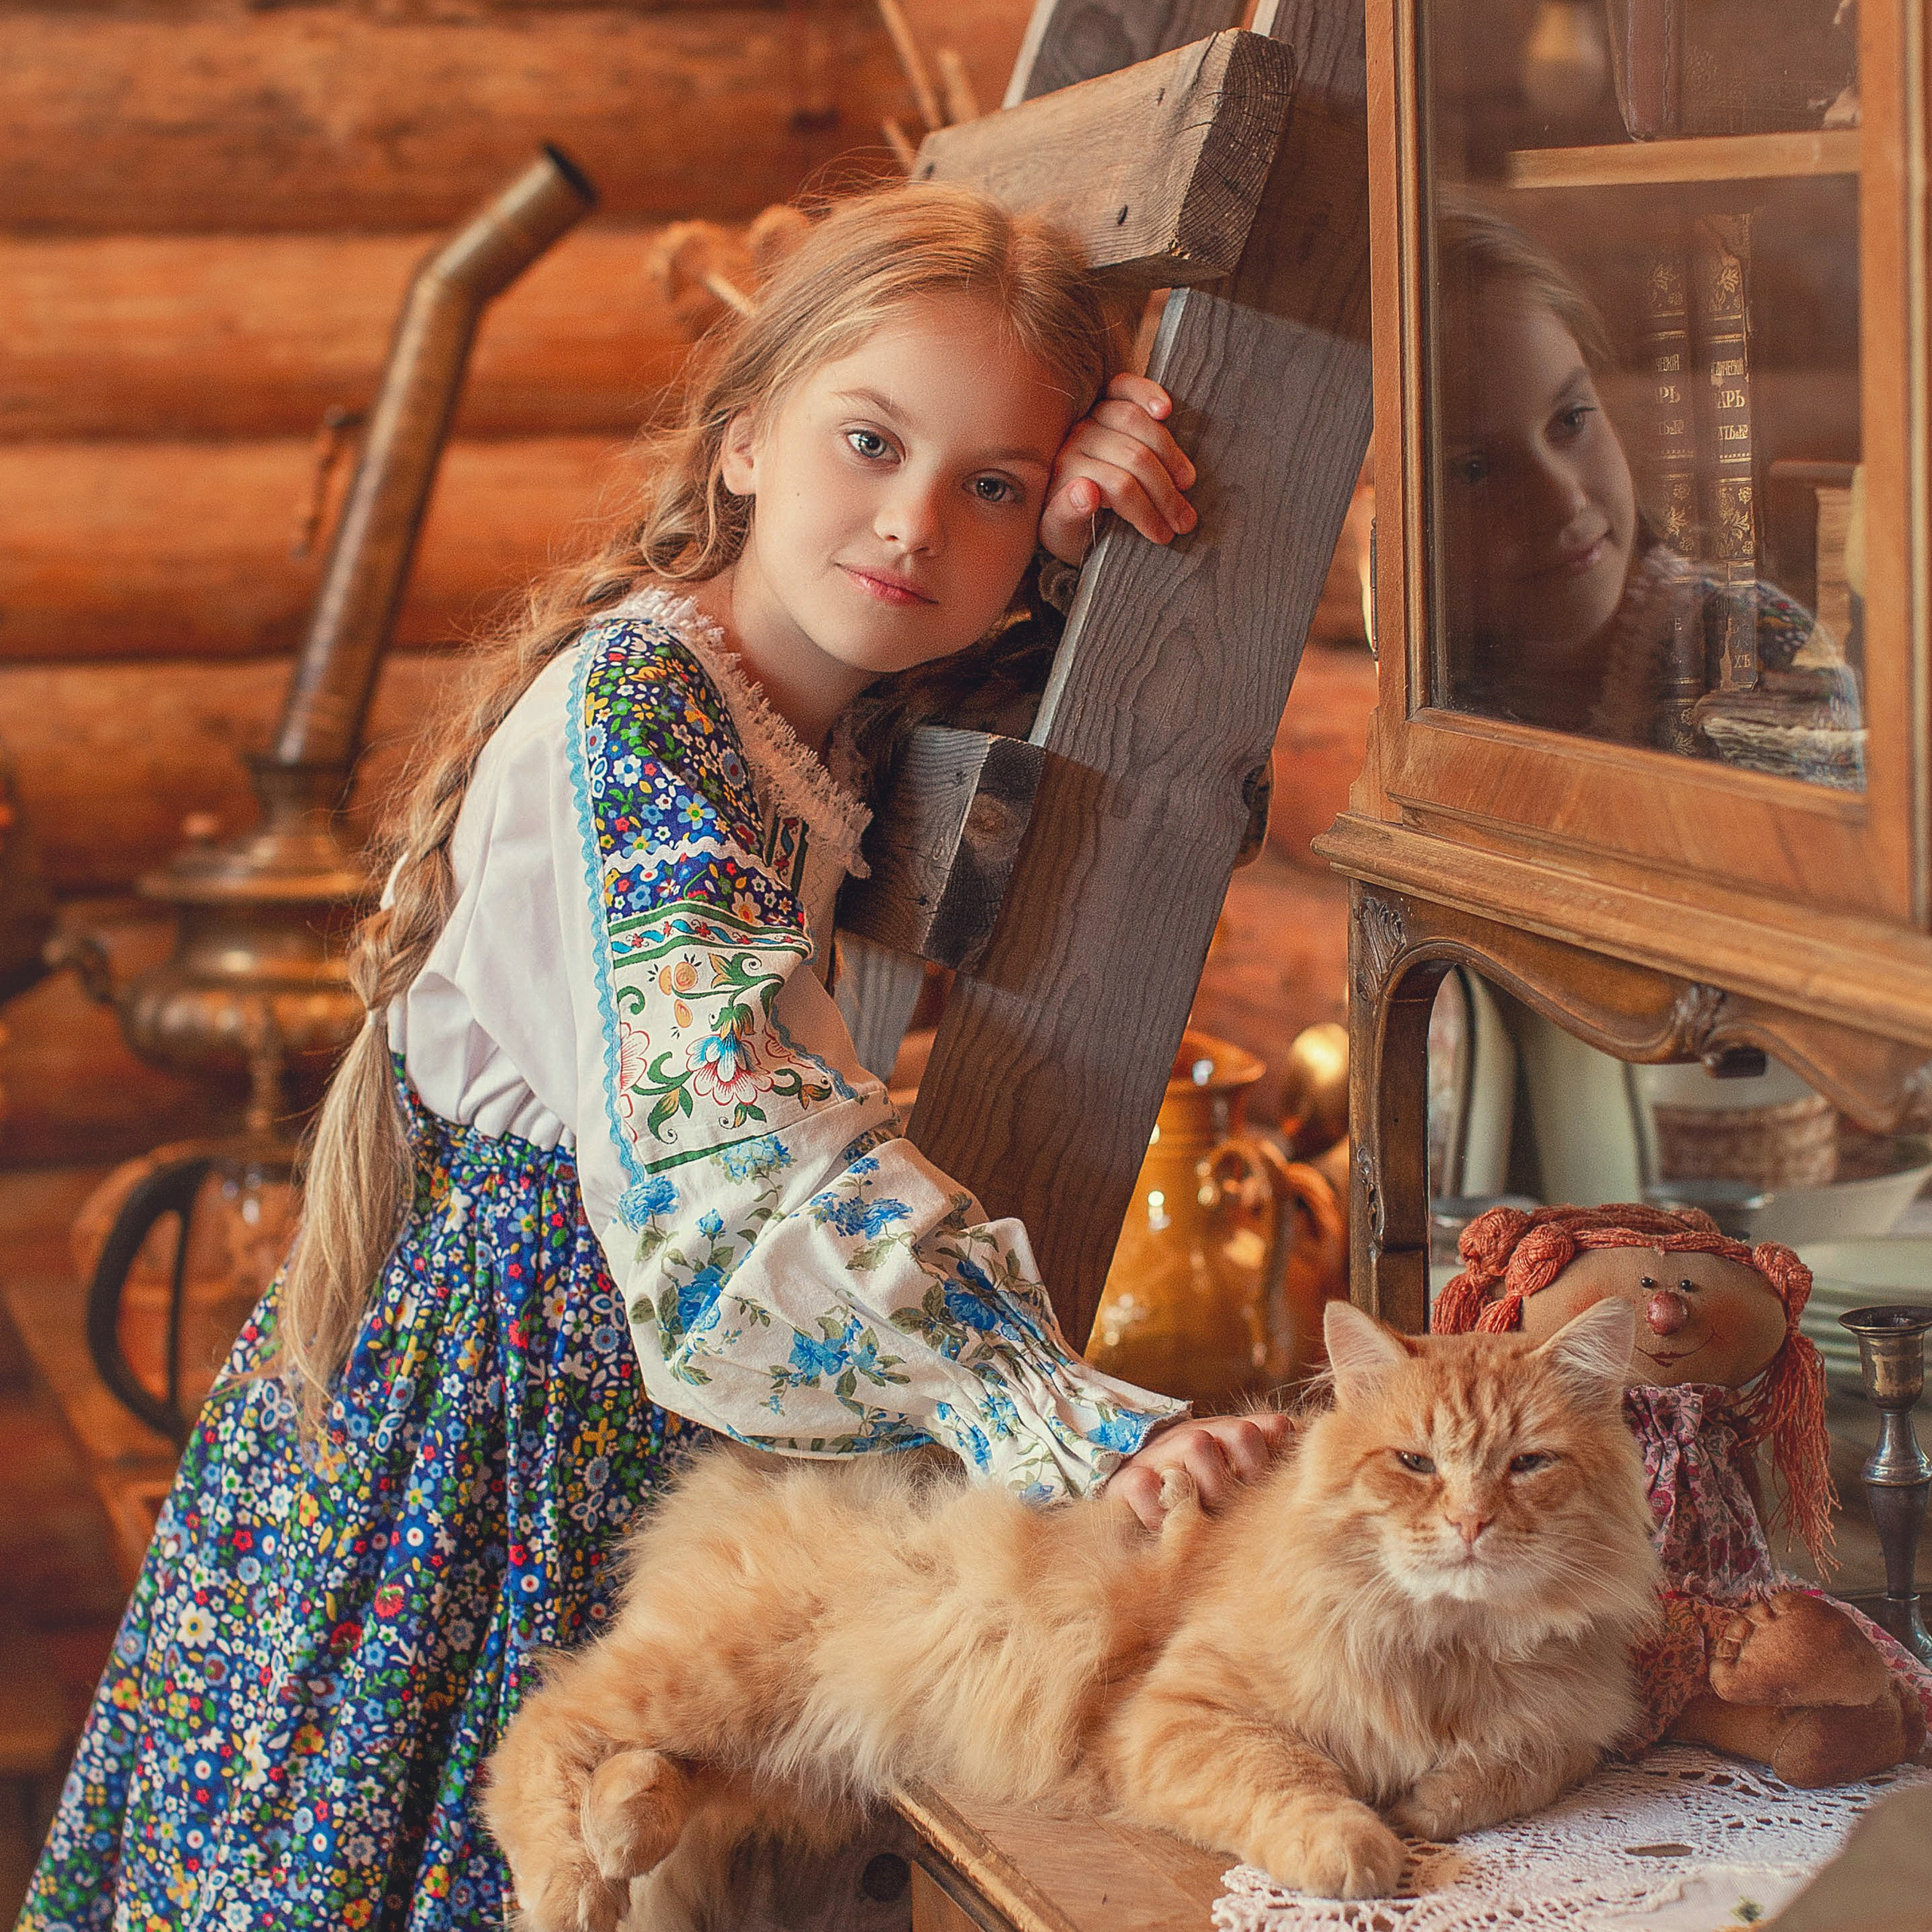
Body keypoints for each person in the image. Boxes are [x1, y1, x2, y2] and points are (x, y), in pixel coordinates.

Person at [20, 183, 1296, 1931]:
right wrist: (1050, 1408)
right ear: (746, 437)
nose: (914, 520)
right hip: (509, 1417)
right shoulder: (647, 711)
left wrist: (1065, 555)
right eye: (868, 440)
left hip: (574, 1368)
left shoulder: (792, 705)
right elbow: (729, 1133)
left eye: (985, 482)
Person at [1432, 206, 1863, 788]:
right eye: (1477, 469)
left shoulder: (1757, 654)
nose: (1563, 500)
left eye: (1571, 419)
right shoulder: (1435, 677)